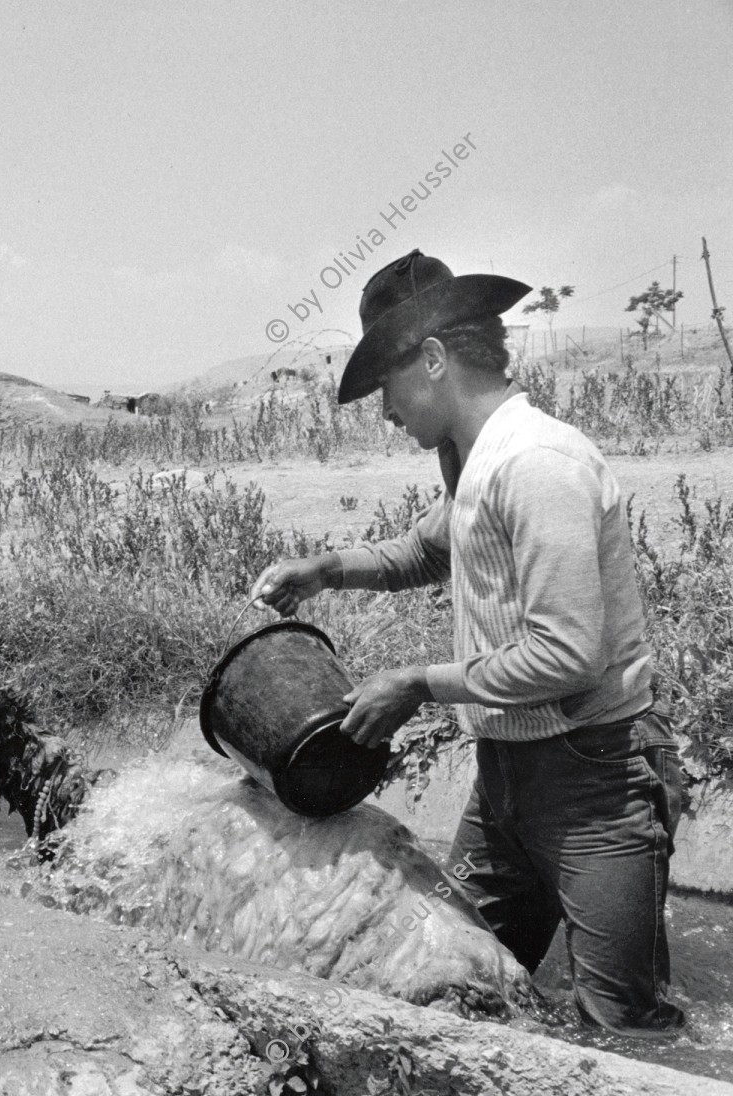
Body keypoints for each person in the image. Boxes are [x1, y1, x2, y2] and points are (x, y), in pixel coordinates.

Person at [250, 249, 686, 1036]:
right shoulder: (477, 465)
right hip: (507, 777)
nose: (385, 411)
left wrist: (416, 682)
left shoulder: (537, 465)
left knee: (623, 1025)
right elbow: (425, 550)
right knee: (457, 983)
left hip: (598, 774)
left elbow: (567, 654)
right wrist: (323, 569)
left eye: (386, 386)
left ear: (434, 359)